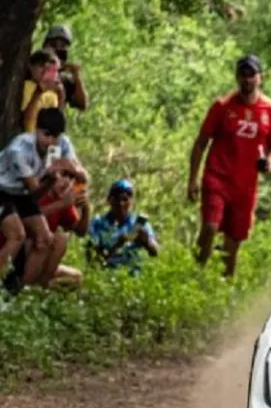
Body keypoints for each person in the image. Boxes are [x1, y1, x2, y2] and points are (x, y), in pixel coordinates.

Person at [187, 54, 271, 278]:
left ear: (261, 78)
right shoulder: (222, 106)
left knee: (233, 241)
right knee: (210, 226)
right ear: (237, 77)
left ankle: (224, 285)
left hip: (245, 185)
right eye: (243, 75)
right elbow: (201, 143)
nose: (247, 80)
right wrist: (193, 179)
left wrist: (269, 161)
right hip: (217, 177)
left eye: (252, 75)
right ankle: (195, 274)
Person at [0, 107, 87, 295]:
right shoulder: (20, 150)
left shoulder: (63, 144)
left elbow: (83, 177)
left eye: (55, 136)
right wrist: (50, 177)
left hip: (20, 194)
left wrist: (72, 170)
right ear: (37, 130)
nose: (50, 141)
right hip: (4, 189)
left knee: (45, 239)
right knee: (17, 235)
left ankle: (20, 292)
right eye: (46, 135)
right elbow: (34, 192)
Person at [2, 167, 89, 292]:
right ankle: (21, 290)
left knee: (76, 277)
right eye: (64, 175)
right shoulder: (36, 191)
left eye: (71, 178)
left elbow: (81, 232)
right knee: (54, 239)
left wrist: (86, 209)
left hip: (39, 258)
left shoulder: (63, 201)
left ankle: (40, 287)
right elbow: (22, 217)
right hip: (14, 253)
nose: (66, 182)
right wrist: (61, 204)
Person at [87, 179, 158, 274]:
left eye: (125, 199)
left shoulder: (139, 223)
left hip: (135, 275)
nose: (121, 204)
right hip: (106, 276)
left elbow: (155, 252)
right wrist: (118, 245)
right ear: (109, 200)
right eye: (116, 199)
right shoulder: (97, 223)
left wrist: (146, 242)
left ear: (131, 201)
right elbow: (92, 260)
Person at [42, 24, 89, 113]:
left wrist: (77, 75)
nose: (57, 49)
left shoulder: (65, 79)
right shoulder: (33, 68)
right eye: (53, 45)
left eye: (62, 46)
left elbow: (82, 104)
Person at [22, 49, 65, 133]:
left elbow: (55, 124)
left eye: (51, 69)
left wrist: (61, 96)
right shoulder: (25, 86)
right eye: (41, 66)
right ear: (31, 66)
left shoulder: (52, 95)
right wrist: (38, 92)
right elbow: (27, 123)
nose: (45, 71)